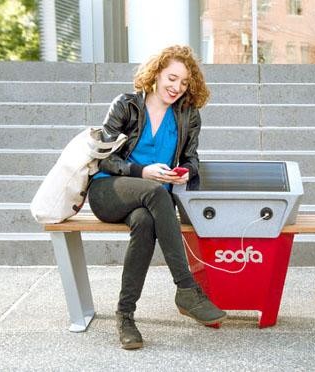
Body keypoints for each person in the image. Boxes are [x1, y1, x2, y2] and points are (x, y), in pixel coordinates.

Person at [87, 45, 227, 350]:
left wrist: (186, 172)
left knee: (145, 221)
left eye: (184, 83)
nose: (177, 87)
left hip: (151, 202)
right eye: (172, 78)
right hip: (109, 190)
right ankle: (186, 288)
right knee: (153, 192)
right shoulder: (126, 106)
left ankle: (125, 316)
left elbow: (192, 158)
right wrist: (141, 171)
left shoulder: (188, 115)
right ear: (156, 73)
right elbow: (103, 159)